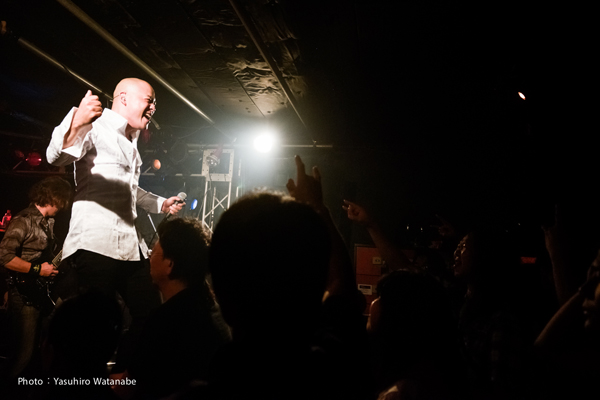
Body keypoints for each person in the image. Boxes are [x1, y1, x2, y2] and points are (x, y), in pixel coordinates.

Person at [199, 155, 371, 400]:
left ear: (220, 295)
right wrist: (317, 208)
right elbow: (341, 287)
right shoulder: (338, 370)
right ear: (314, 292)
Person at [45, 78, 184, 372]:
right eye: (149, 100)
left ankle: (121, 378)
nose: (153, 108)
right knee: (93, 327)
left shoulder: (132, 141)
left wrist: (161, 203)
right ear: (123, 98)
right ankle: (75, 384)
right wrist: (77, 121)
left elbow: (129, 190)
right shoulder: (94, 125)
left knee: (151, 316)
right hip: (95, 244)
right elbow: (55, 156)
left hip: (131, 248)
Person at [127, 218, 231, 399]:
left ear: (170, 264)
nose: (150, 257)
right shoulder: (214, 311)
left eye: (155, 251)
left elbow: (129, 386)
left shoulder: (165, 321)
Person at [0, 176, 71, 388]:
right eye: (63, 200)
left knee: (58, 329)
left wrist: (52, 267)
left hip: (42, 291)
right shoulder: (23, 220)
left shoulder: (48, 222)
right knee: (23, 354)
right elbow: (4, 256)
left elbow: (44, 257)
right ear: (55, 197)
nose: (64, 206)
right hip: (24, 294)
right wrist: (38, 270)